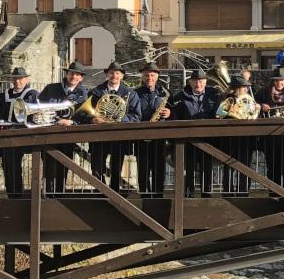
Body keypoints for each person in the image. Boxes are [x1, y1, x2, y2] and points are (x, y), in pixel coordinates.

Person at [87, 61, 142, 193]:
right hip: (99, 136)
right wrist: (93, 119)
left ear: (122, 76)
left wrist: (118, 118)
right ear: (107, 74)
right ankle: (101, 193)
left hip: (119, 136)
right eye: (111, 73)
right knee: (97, 166)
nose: (114, 76)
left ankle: (114, 193)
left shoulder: (130, 94)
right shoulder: (95, 92)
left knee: (117, 167)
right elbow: (86, 112)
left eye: (117, 73)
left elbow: (136, 116)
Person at [38, 61, 88, 194]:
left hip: (68, 136)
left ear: (81, 78)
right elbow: (39, 108)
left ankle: (60, 195)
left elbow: (85, 116)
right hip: (49, 134)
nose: (74, 77)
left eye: (77, 75)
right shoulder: (51, 88)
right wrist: (54, 119)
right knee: (49, 167)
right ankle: (47, 195)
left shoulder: (83, 94)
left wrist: (71, 122)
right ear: (67, 74)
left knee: (64, 167)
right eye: (72, 73)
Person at [168, 69, 219, 196]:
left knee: (206, 170)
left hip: (208, 139)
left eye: (201, 81)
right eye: (195, 81)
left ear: (206, 82)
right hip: (187, 141)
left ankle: (207, 196)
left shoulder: (215, 95)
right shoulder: (180, 96)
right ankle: (188, 196)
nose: (198, 84)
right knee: (188, 169)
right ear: (190, 82)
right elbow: (175, 117)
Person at [0, 67, 38, 199]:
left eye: (20, 78)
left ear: (26, 79)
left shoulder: (33, 94)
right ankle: (12, 194)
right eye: (15, 79)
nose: (18, 81)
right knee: (9, 165)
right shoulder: (5, 94)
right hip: (8, 134)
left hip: (26, 134)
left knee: (28, 165)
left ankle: (29, 194)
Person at [257, 69, 284, 194]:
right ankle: (274, 192)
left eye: (281, 80)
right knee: (272, 165)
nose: (279, 83)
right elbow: (253, 103)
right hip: (270, 135)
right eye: (276, 80)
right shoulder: (264, 92)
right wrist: (261, 106)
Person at [216, 75, 259, 194]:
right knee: (229, 166)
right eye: (244, 87)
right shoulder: (228, 99)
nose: (246, 89)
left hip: (246, 138)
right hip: (230, 138)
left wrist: (256, 109)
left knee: (245, 166)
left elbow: (251, 115)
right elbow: (219, 114)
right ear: (236, 88)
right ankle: (228, 191)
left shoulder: (248, 99)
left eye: (246, 86)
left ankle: (243, 191)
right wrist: (232, 111)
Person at [134, 62, 170, 198]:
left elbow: (174, 110)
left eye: (152, 75)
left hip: (159, 138)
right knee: (142, 169)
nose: (150, 78)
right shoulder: (135, 93)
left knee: (159, 169)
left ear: (157, 77)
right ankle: (144, 196)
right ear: (143, 77)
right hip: (141, 138)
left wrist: (169, 113)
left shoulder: (163, 93)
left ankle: (158, 196)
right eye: (147, 75)